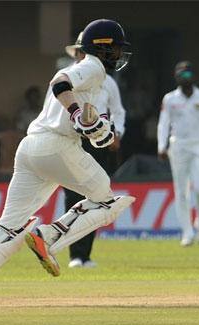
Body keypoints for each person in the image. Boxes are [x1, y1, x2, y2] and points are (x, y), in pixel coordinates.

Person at [0, 19, 134, 307]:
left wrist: (97, 130)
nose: (119, 55)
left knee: (10, 226)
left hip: (31, 148)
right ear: (103, 48)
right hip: (57, 147)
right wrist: (76, 113)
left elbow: (88, 127)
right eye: (116, 49)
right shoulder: (93, 67)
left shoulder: (92, 76)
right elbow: (60, 82)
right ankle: (49, 238)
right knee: (107, 199)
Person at [62, 31, 126, 269]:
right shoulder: (68, 77)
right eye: (78, 53)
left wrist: (116, 133)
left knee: (97, 197)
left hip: (99, 142)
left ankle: (85, 255)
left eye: (82, 51)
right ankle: (74, 255)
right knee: (73, 197)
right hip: (73, 140)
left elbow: (118, 111)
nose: (80, 56)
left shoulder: (107, 81)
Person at [157, 61, 199, 246]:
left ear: (193, 76)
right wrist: (162, 146)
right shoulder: (169, 99)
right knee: (181, 191)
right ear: (176, 77)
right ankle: (187, 232)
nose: (185, 78)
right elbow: (163, 123)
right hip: (178, 147)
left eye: (188, 75)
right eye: (181, 75)